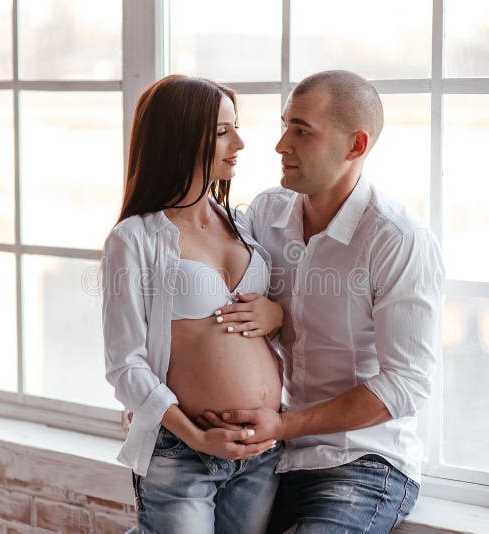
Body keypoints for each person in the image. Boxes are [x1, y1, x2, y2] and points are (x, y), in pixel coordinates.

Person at [207, 70, 445, 533]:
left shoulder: (397, 239)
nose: (280, 146)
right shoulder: (265, 213)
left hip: (362, 462)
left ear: (355, 145)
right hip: (268, 457)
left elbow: (405, 385)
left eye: (302, 131)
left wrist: (282, 425)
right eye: (284, 126)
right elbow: (202, 271)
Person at [100, 74, 286, 534]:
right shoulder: (135, 239)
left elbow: (279, 320)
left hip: (260, 448)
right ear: (179, 138)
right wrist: (199, 436)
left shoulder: (244, 225)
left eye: (234, 127)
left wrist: (276, 314)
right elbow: (125, 366)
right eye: (223, 131)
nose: (239, 142)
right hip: (181, 451)